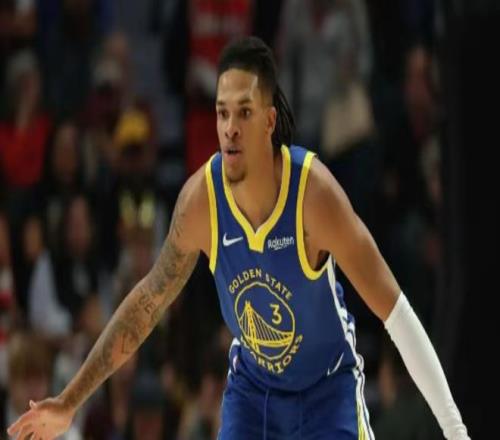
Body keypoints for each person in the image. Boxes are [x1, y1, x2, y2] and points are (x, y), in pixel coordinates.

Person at [7, 36, 469, 440]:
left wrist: (455, 431)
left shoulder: (314, 196)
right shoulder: (201, 203)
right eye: (222, 112)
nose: (230, 127)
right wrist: (69, 401)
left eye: (244, 112)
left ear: (268, 121)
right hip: (255, 395)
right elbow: (147, 304)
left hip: (327, 390)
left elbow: (396, 313)